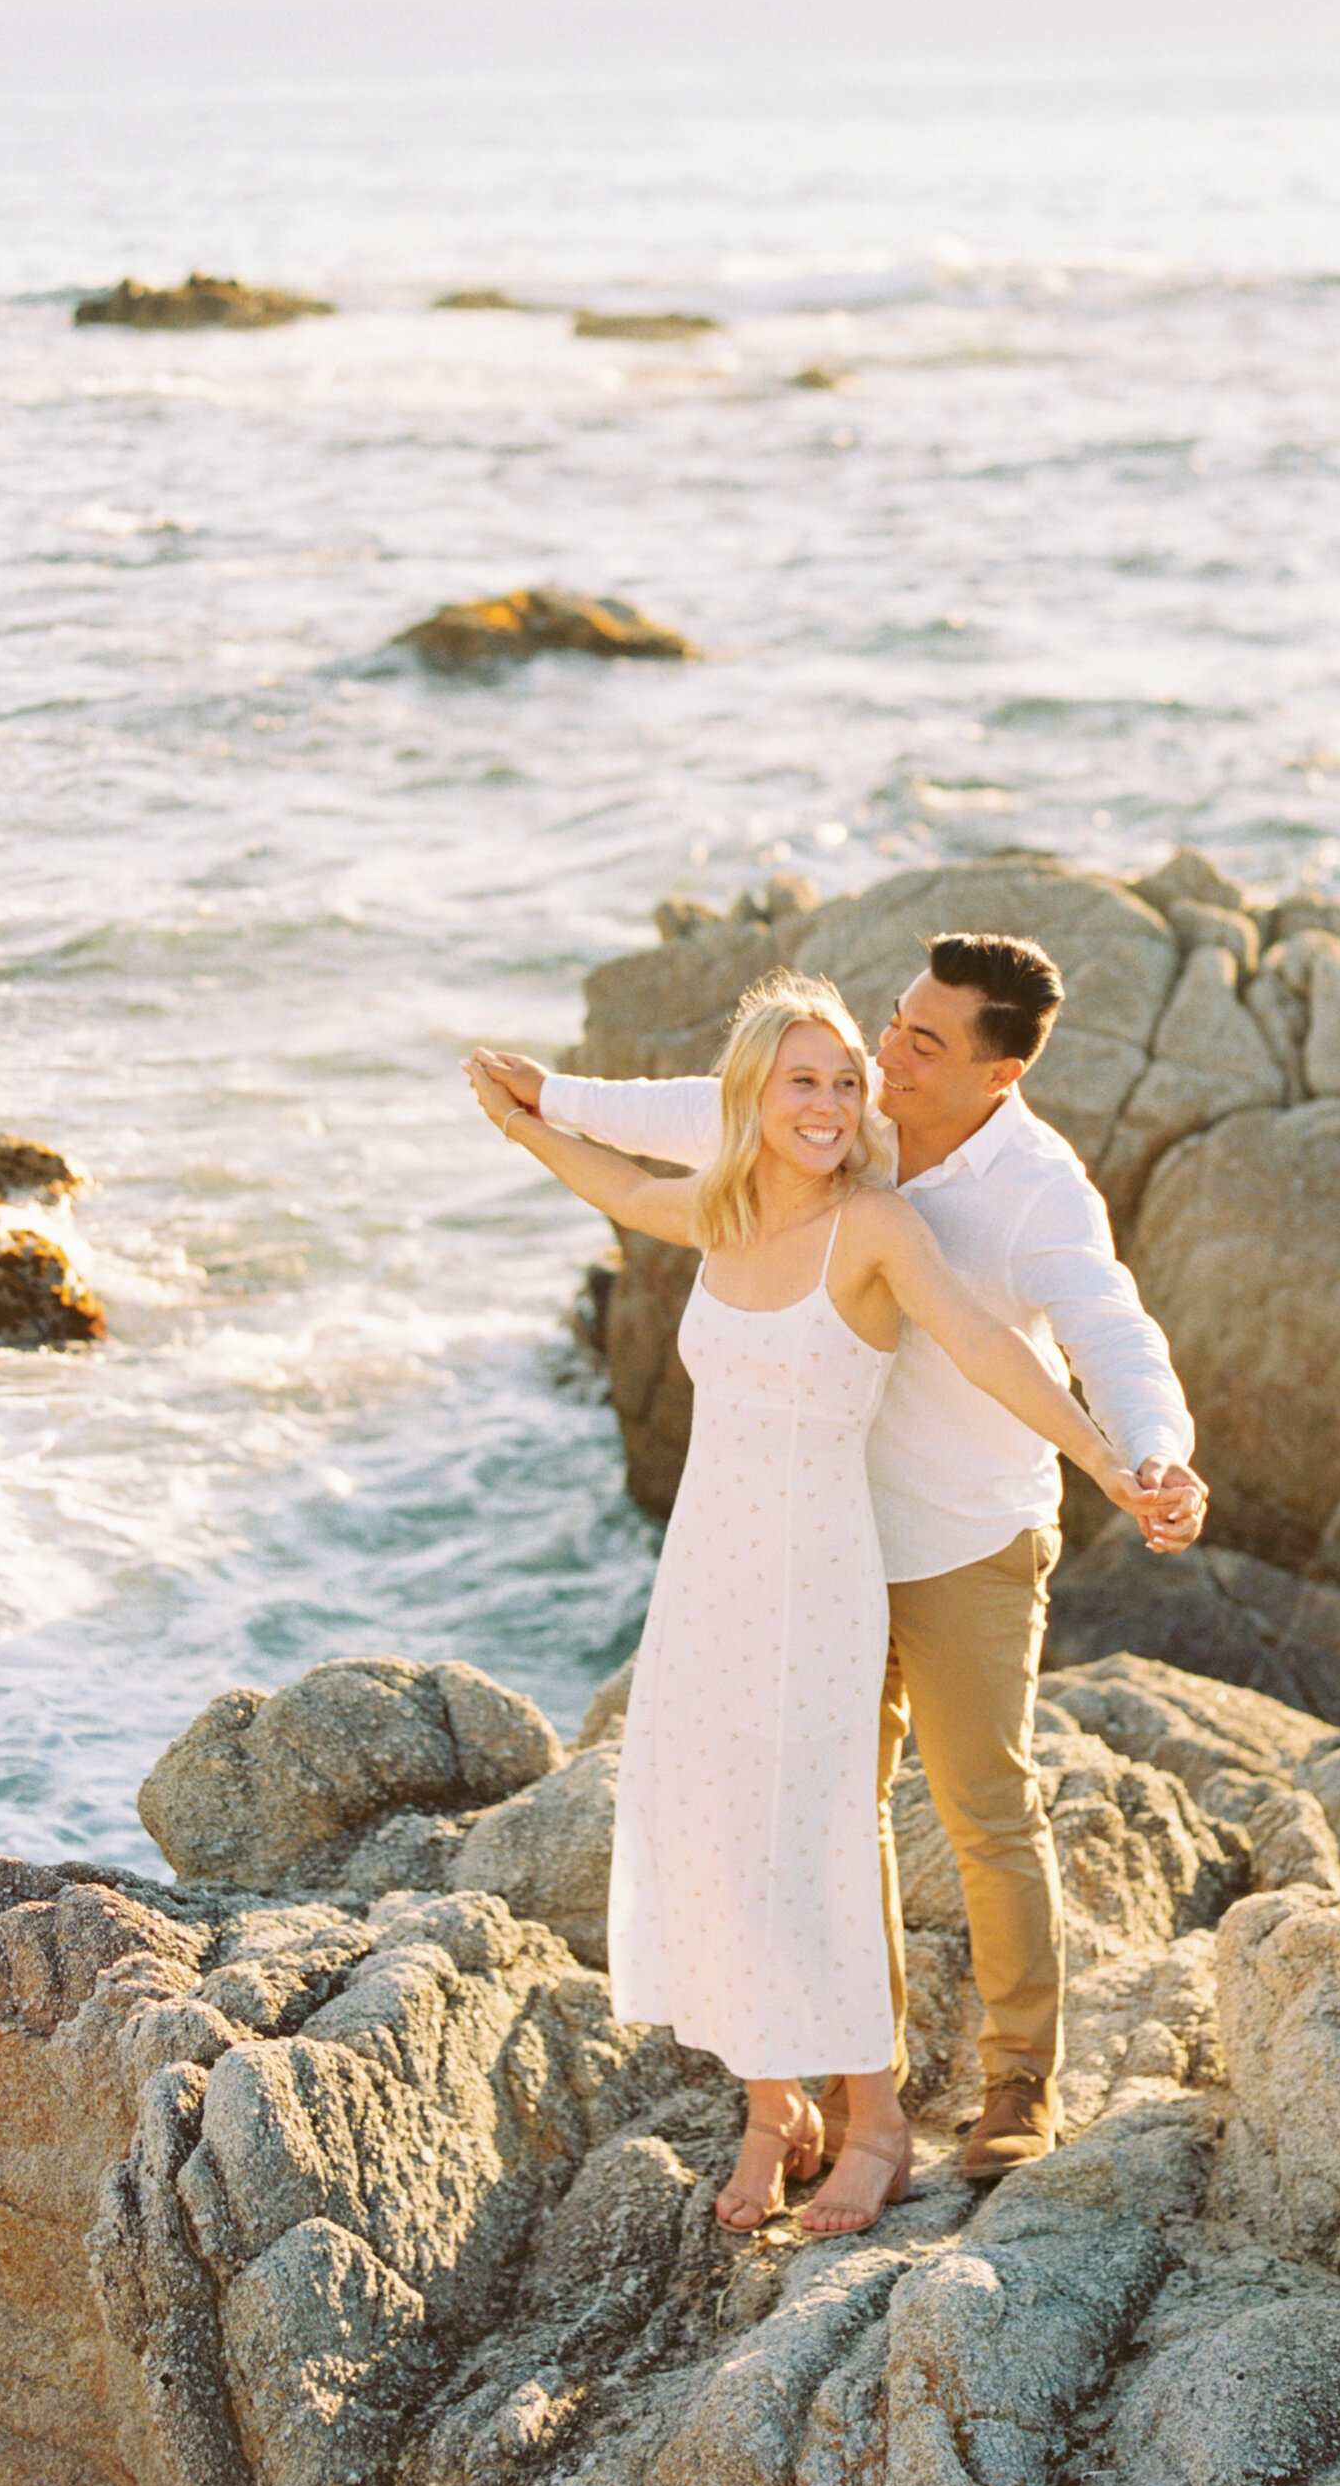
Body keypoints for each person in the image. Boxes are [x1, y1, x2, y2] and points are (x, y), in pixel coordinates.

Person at [474, 928, 1206, 2184]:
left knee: (984, 1804)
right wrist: (554, 1100)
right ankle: (837, 2082)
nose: (890, 1051)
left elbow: (1093, 1327)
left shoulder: (1034, 1187)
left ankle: (1015, 2079)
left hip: (967, 1534)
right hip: (814, 1537)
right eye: (895, 1024)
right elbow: (708, 1114)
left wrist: (1142, 1452)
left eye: (922, 1041)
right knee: (826, 1813)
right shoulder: (839, 1130)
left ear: (997, 1075)